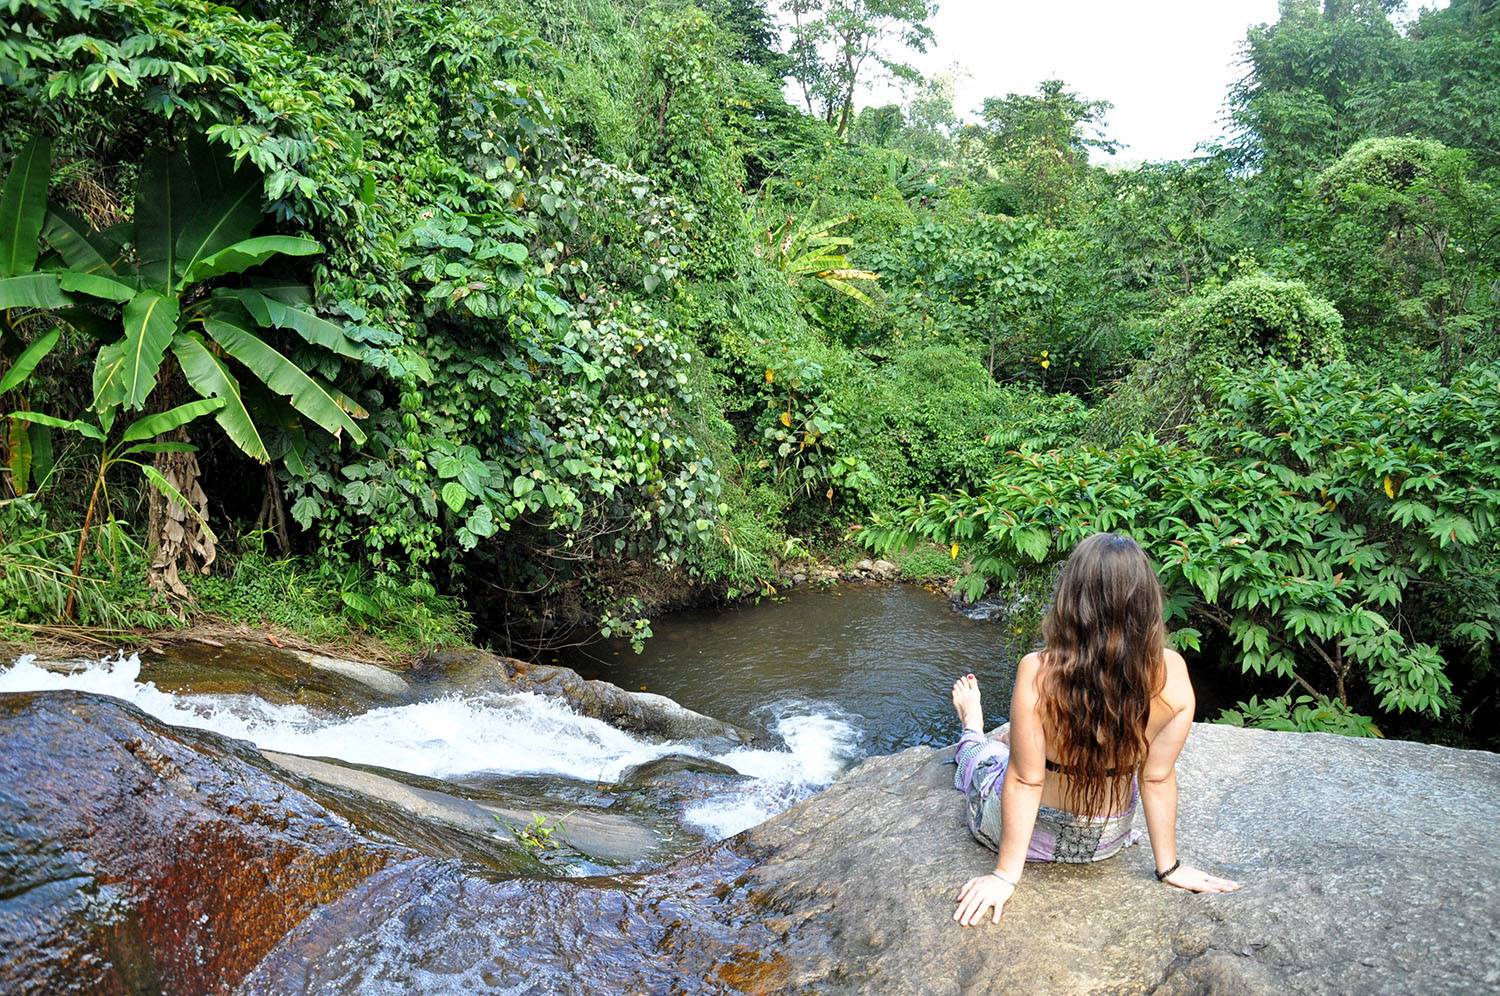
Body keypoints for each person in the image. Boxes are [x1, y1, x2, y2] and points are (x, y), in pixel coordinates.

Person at [949, 532, 1241, 928]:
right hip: (1107, 840)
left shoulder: (1038, 670)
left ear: (1072, 600)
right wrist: (1169, 867)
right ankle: (1003, 737)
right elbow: (1156, 778)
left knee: (982, 759)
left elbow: (1025, 780)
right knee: (1015, 749)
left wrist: (1005, 876)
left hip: (1035, 836)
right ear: (1148, 603)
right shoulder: (1172, 671)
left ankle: (972, 724)